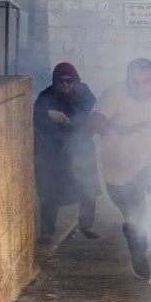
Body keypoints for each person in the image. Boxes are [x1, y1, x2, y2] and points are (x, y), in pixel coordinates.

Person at [88, 57, 151, 285]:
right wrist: (121, 130)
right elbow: (94, 123)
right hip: (121, 173)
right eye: (133, 82)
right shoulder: (114, 95)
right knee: (136, 218)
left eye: (144, 82)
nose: (138, 87)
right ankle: (139, 257)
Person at [33, 62, 101, 244]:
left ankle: (87, 224)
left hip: (81, 146)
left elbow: (93, 114)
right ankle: (47, 231)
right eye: (60, 81)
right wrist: (49, 113)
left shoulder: (84, 93)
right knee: (49, 191)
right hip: (54, 151)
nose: (65, 85)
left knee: (87, 187)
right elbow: (34, 115)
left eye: (69, 81)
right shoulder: (46, 96)